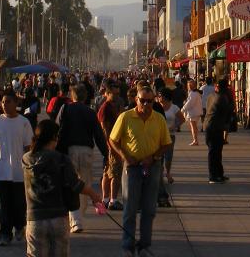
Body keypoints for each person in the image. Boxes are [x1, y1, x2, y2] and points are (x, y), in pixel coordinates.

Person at [22, 120, 103, 257]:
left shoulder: (26, 159)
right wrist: (93, 195)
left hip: (35, 218)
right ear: (54, 137)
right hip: (58, 217)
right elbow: (75, 185)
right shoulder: (61, 159)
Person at [108, 86, 172, 257]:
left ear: (154, 101)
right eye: (142, 100)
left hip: (152, 167)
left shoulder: (158, 119)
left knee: (149, 210)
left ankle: (144, 246)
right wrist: (124, 156)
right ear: (136, 99)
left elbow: (166, 143)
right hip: (132, 168)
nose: (146, 104)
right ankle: (127, 246)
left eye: (149, 101)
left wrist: (154, 157)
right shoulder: (126, 117)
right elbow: (113, 140)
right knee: (130, 209)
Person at [56, 83, 109, 232]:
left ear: (72, 95)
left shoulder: (65, 108)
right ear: (85, 96)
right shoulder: (90, 112)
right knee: (84, 185)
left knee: (70, 185)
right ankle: (79, 216)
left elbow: (57, 130)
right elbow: (98, 135)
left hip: (69, 151)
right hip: (86, 151)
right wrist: (106, 154)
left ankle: (75, 221)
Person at [0, 91, 35, 245]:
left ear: (16, 104)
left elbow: (29, 147)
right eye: (3, 102)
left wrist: (31, 167)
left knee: (20, 204)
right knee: (2, 205)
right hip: (0, 171)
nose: (4, 105)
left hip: (19, 172)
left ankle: (19, 226)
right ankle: (5, 234)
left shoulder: (24, 122)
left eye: (8, 102)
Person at [98, 82, 124, 211]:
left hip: (112, 144)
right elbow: (104, 129)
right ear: (107, 94)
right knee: (115, 173)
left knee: (108, 172)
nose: (116, 96)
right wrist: (111, 147)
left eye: (117, 94)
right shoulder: (105, 108)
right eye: (113, 94)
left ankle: (106, 199)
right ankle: (112, 200)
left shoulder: (113, 106)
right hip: (111, 145)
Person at [205, 79, 235, 184]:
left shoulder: (212, 95)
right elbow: (230, 110)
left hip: (210, 126)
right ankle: (213, 176)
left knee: (217, 152)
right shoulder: (222, 98)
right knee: (214, 152)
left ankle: (219, 174)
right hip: (215, 127)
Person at [181, 80, 203, 146]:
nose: (189, 87)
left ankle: (195, 140)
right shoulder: (196, 93)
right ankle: (195, 139)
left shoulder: (193, 93)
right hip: (196, 111)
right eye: (188, 85)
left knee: (193, 126)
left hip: (193, 112)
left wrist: (183, 109)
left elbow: (190, 103)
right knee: (194, 126)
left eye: (190, 85)